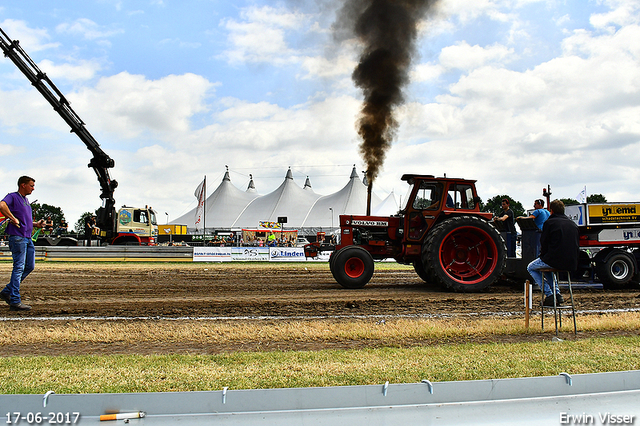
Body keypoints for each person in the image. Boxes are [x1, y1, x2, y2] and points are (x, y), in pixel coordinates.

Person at [0, 176, 45, 311]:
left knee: (29, 266)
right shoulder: (13, 196)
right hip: (18, 237)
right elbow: (2, 205)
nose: (33, 188)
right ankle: (14, 300)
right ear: (23, 185)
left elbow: (25, 221)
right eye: (31, 185)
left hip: (27, 238)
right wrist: (12, 218)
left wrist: (36, 224)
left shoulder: (26, 201)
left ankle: (7, 292)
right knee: (19, 268)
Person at [527, 199, 579, 307]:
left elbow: (544, 242)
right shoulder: (572, 224)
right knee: (546, 268)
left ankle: (549, 294)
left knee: (531, 267)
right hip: (572, 261)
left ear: (551, 211)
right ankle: (557, 294)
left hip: (555, 258)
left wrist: (542, 255)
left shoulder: (549, 223)